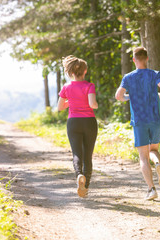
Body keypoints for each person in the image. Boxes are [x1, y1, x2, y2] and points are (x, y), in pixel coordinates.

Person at [115, 47, 160, 200]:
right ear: (147, 58)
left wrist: (128, 97)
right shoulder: (155, 74)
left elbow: (118, 95)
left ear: (133, 60)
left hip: (139, 120)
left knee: (143, 158)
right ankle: (158, 164)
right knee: (153, 150)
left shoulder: (128, 77)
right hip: (155, 118)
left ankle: (151, 189)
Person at [58, 55, 98, 198]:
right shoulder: (89, 86)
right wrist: (96, 105)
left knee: (76, 153)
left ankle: (79, 175)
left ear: (71, 72)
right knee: (88, 155)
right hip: (89, 122)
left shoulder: (66, 87)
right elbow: (92, 104)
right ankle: (85, 187)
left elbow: (60, 107)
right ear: (85, 71)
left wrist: (72, 101)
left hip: (73, 122)